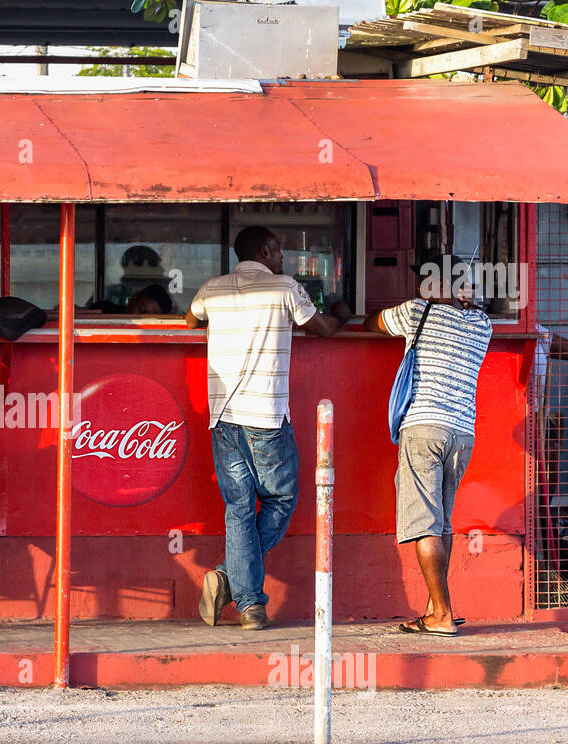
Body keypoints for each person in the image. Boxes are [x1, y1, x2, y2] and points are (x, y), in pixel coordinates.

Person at [186, 226, 351, 630]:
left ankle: (248, 603)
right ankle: (231, 580)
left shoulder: (213, 287)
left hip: (223, 417)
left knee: (239, 509)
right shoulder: (284, 288)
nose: (283, 259)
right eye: (279, 252)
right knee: (280, 500)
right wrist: (343, 313)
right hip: (266, 417)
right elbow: (324, 328)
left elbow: (190, 320)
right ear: (265, 251)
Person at [362, 255, 492, 636]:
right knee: (441, 524)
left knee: (425, 524)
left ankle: (442, 615)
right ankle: (437, 607)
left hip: (423, 428)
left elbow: (372, 323)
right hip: (461, 434)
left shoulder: (417, 312)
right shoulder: (482, 323)